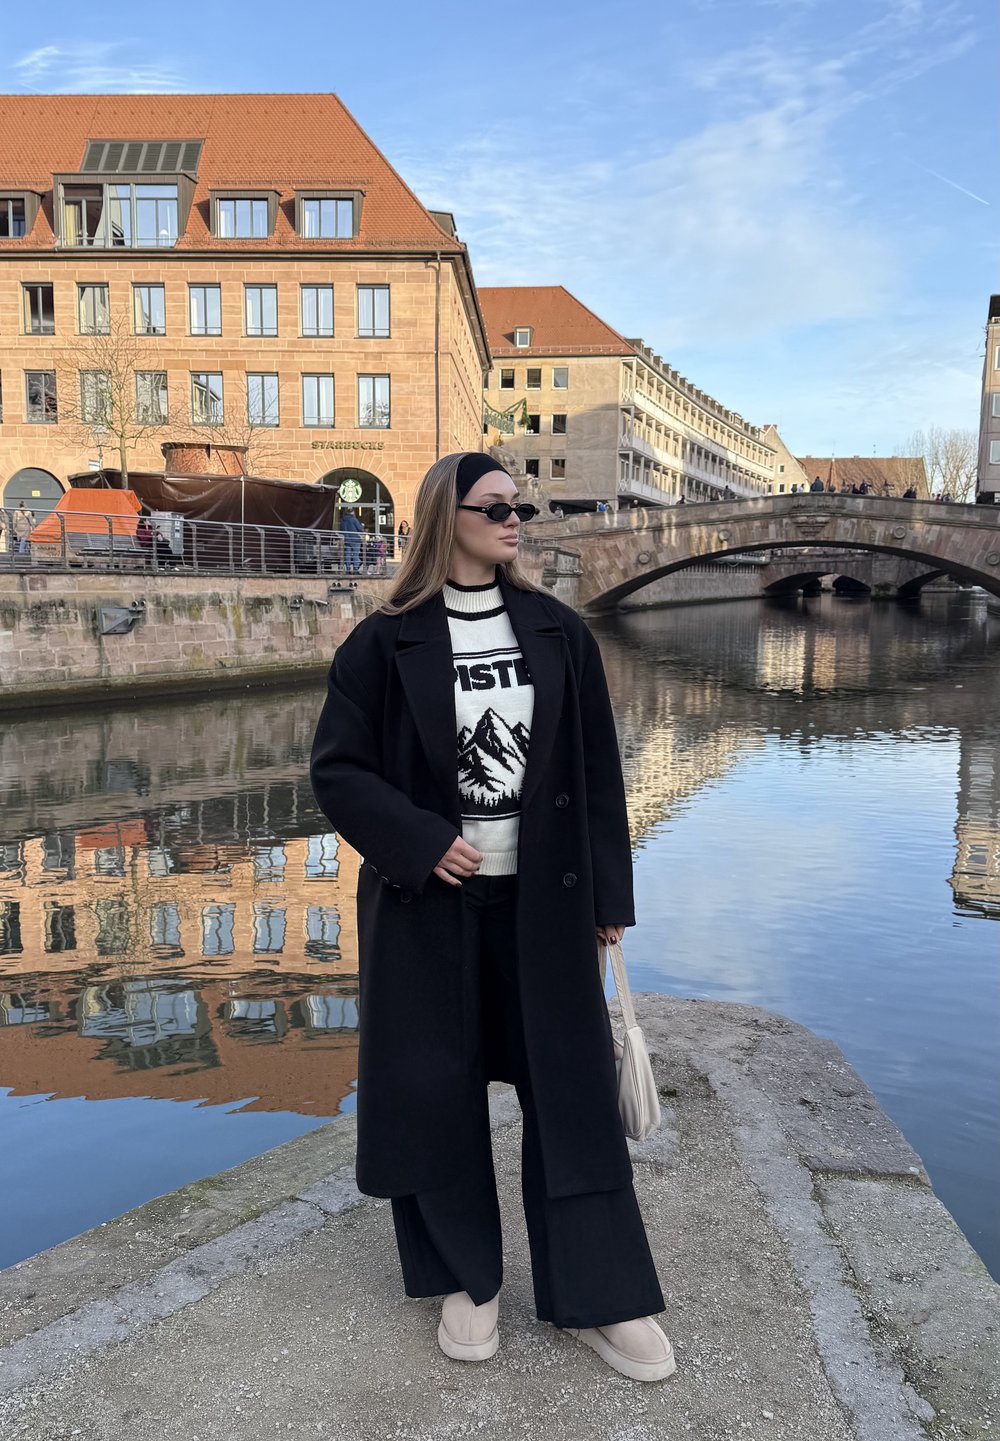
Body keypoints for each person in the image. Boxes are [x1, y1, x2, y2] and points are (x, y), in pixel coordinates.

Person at [310, 451, 674, 1383]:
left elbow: (598, 769)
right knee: (435, 1086)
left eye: (523, 506)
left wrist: (610, 900)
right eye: (499, 506)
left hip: (546, 904)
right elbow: (339, 769)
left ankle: (600, 1293)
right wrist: (422, 838)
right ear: (449, 518)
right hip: (429, 903)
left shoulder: (558, 631)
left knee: (572, 1092)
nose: (518, 520)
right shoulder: (383, 642)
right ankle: (467, 1280)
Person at [340, 508, 364, 574]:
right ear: (352, 512)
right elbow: (360, 529)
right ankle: (355, 569)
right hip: (355, 540)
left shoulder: (343, 520)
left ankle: (347, 570)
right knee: (355, 555)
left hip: (347, 540)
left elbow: (341, 530)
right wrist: (362, 525)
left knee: (348, 555)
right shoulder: (354, 519)